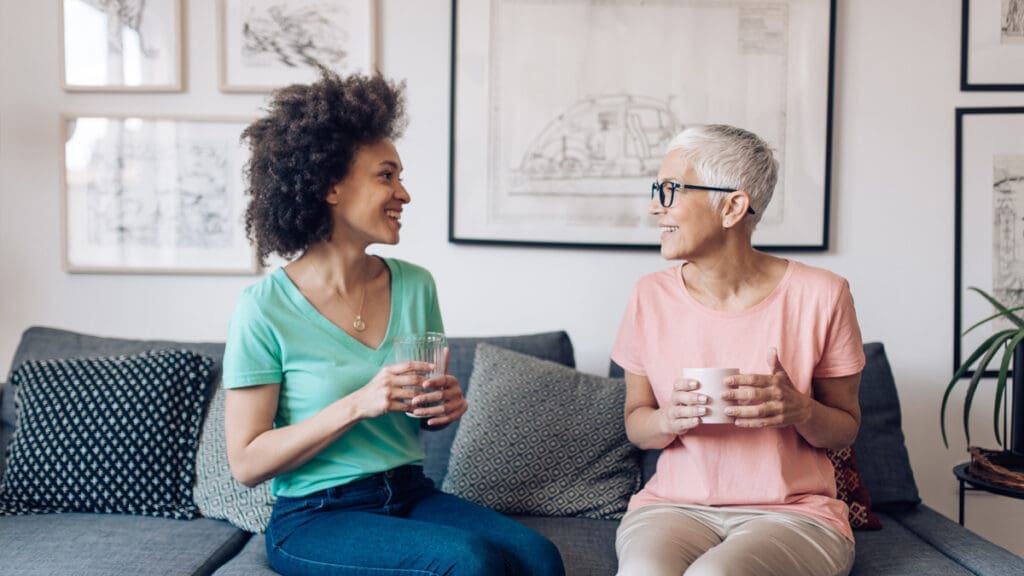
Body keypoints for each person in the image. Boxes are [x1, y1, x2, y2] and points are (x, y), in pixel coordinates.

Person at [222, 70, 565, 576]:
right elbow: (247, 462)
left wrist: (438, 408)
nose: (403, 194)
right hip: (315, 516)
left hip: (407, 491)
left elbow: (417, 418)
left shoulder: (415, 286)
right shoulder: (263, 308)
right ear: (330, 185)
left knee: (539, 557)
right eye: (386, 175)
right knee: (471, 563)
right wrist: (359, 403)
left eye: (400, 177)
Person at [612, 124, 864, 576]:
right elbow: (637, 424)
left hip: (794, 513)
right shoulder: (647, 296)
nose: (655, 207)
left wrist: (799, 410)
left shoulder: (823, 295)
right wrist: (668, 419)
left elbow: (844, 429)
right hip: (673, 509)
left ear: (731, 206)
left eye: (670, 190)